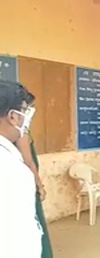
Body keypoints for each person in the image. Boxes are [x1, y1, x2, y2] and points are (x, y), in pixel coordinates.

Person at [0, 80, 42, 257]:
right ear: (13, 116)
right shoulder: (12, 170)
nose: (27, 118)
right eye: (25, 111)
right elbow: (17, 238)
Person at [15, 92, 54, 257]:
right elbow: (28, 162)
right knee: (35, 225)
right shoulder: (20, 132)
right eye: (28, 107)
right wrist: (39, 186)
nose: (31, 110)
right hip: (27, 185)